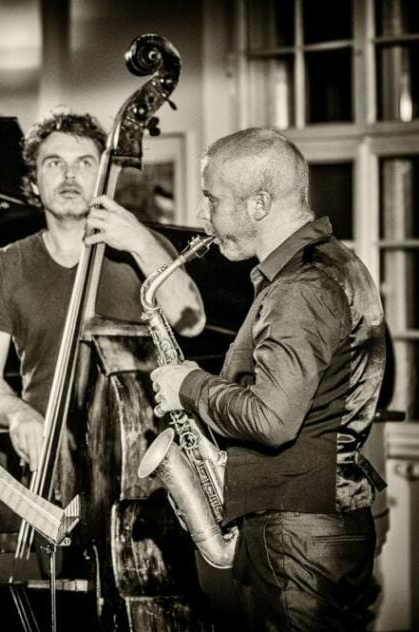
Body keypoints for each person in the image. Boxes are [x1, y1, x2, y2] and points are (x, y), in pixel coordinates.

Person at [150, 128, 386, 631]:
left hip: (297, 536)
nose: (203, 215)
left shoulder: (301, 287)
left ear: (259, 203)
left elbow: (272, 420)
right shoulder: (331, 264)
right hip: (315, 525)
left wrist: (187, 385)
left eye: (212, 199)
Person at [0, 107, 206, 468]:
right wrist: (18, 413)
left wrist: (141, 242)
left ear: (103, 177)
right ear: (34, 181)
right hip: (50, 460)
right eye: (54, 163)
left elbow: (192, 322)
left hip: (140, 459)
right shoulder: (6, 265)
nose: (69, 175)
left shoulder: (143, 247)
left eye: (84, 163)